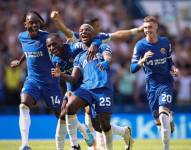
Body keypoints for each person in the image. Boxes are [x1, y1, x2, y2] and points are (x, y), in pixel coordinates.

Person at [50, 10, 136, 150]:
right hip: (83, 87)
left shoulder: (100, 44)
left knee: (100, 124)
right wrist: (61, 75)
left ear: (93, 34)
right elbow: (73, 77)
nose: (83, 32)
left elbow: (108, 54)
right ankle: (75, 145)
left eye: (87, 30)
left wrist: (106, 62)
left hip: (102, 88)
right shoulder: (77, 53)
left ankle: (122, 133)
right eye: (81, 30)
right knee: (69, 109)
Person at [13, 11, 92, 150]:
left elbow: (62, 46)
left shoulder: (46, 37)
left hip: (51, 83)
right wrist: (20, 62)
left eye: (37, 22)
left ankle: (82, 129)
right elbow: (27, 50)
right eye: (31, 22)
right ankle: (25, 144)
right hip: (33, 80)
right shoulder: (22, 37)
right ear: (25, 24)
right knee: (24, 104)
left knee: (62, 115)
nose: (34, 25)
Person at [130, 16, 179, 150]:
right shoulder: (140, 46)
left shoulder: (165, 42)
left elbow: (169, 61)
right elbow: (132, 69)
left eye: (150, 27)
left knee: (162, 117)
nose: (147, 30)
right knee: (159, 122)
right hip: (151, 87)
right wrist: (143, 60)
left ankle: (166, 148)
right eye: (145, 28)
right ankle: (169, 119)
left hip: (165, 83)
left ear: (156, 27)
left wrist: (173, 68)